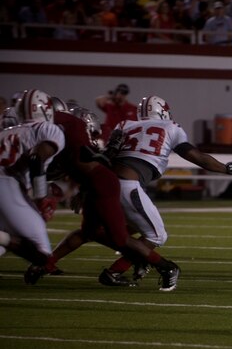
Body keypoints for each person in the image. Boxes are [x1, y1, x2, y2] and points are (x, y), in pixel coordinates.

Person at [24, 103, 182, 290]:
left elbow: (92, 163)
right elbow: (89, 164)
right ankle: (160, 266)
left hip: (101, 184)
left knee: (104, 234)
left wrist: (76, 189)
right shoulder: (65, 131)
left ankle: (161, 266)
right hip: (102, 184)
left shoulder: (63, 132)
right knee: (110, 235)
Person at [0, 89, 64, 270]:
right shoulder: (48, 129)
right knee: (42, 255)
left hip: (7, 183)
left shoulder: (6, 132)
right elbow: (36, 159)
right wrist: (41, 196)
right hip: (7, 183)